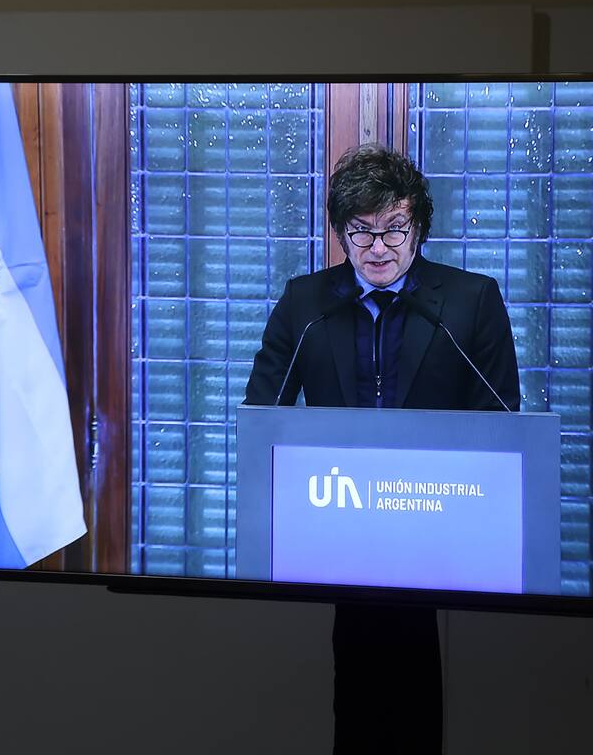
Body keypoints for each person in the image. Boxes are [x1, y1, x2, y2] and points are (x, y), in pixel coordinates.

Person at [244, 144, 520, 753]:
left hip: (436, 524)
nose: (377, 248)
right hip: (336, 525)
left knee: (414, 694)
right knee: (356, 697)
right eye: (361, 231)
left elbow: (501, 424)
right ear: (340, 233)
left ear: (419, 228)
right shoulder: (305, 304)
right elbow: (263, 418)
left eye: (394, 229)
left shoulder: (470, 301)